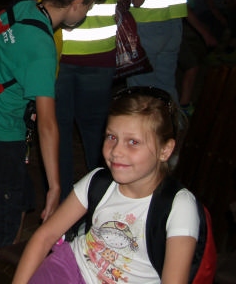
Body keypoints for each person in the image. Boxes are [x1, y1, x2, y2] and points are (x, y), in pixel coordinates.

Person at [0, 0, 110, 284]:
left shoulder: (24, 8)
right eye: (88, 6)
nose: (87, 13)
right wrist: (56, 186)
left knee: (17, 204)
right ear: (75, 3)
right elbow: (47, 124)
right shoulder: (42, 47)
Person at [11, 86, 198, 284]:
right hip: (71, 269)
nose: (116, 151)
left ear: (165, 150)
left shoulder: (178, 206)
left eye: (133, 142)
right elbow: (45, 236)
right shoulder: (98, 181)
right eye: (111, 137)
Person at [20, 0, 128, 200]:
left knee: (57, 132)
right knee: (98, 134)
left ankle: (63, 201)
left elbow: (26, 4)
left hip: (55, 58)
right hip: (100, 58)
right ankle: (102, 198)